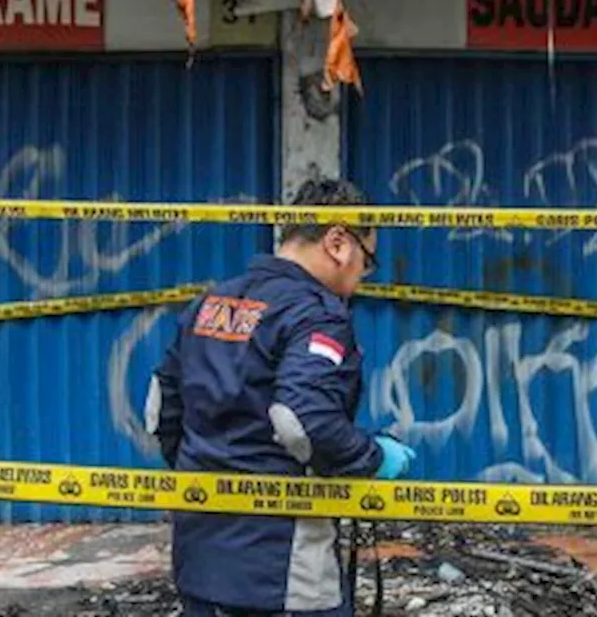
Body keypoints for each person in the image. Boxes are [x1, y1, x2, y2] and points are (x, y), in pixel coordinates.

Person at [151, 177, 417, 617]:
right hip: (283, 568)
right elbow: (304, 420)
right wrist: (372, 457)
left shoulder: (210, 302)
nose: (361, 280)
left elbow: (162, 411)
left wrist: (215, 471)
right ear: (338, 241)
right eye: (366, 262)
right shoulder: (315, 313)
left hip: (200, 557)